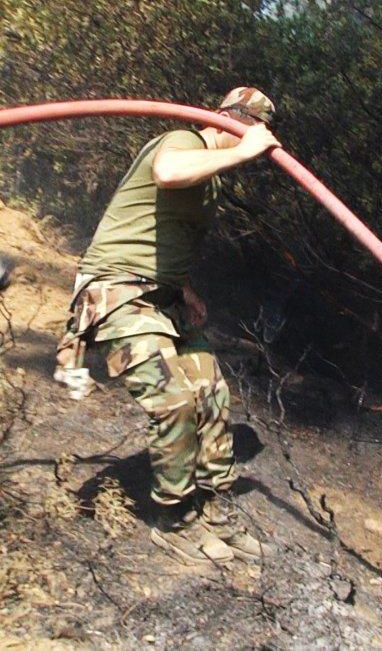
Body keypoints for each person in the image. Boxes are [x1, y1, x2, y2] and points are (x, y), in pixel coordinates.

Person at [54, 87, 280, 565]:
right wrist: (243, 148)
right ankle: (172, 518)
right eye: (245, 126)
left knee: (212, 396)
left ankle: (214, 508)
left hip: (162, 297)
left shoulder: (212, 176)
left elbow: (162, 235)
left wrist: (184, 288)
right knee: (174, 401)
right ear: (227, 119)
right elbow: (167, 173)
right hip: (118, 293)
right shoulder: (180, 141)